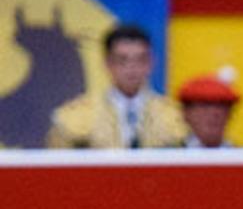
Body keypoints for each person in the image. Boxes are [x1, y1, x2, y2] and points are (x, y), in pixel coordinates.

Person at [46, 25, 186, 151]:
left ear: (150, 63)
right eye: (122, 60)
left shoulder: (176, 116)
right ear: (107, 63)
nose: (131, 68)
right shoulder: (75, 116)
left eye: (140, 60)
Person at [176, 74, 241, 149]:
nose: (214, 113)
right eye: (205, 106)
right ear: (186, 113)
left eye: (221, 106)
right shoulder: (167, 156)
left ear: (230, 114)